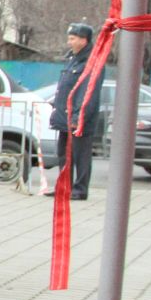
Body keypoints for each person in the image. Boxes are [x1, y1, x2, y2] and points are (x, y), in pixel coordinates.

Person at [51, 21, 104, 201]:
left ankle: (80, 190)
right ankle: (64, 187)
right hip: (65, 116)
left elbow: (88, 91)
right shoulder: (72, 59)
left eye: (72, 38)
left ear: (84, 40)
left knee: (80, 155)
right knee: (63, 154)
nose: (69, 42)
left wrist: (78, 116)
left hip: (79, 118)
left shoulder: (92, 62)